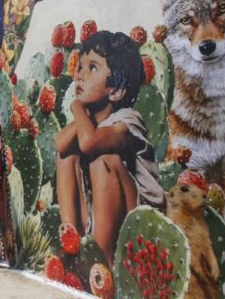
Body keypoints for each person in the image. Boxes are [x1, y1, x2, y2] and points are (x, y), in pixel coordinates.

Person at [55, 31, 164, 265]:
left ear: (116, 91)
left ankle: (101, 262)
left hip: (137, 228)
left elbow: (89, 142)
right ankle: (71, 242)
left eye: (92, 67)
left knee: (103, 162)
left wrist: (76, 107)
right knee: (67, 156)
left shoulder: (127, 122)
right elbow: (61, 145)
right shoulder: (87, 122)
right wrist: (80, 115)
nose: (79, 74)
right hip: (99, 217)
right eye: (80, 66)